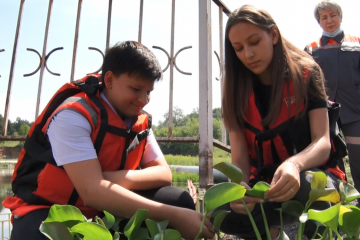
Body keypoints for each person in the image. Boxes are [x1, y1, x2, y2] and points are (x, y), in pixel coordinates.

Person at [3, 41, 214, 240]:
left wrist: (110, 178)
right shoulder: (73, 115)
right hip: (49, 208)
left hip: (106, 207)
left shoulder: (138, 119)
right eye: (135, 89)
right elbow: (92, 192)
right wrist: (175, 216)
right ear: (110, 80)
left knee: (179, 201)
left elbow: (163, 174)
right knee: (37, 234)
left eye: (148, 92)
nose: (143, 100)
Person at [219, 5, 346, 240]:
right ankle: (276, 234)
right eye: (238, 48)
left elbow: (322, 141)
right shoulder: (235, 91)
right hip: (265, 187)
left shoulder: (307, 73)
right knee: (221, 209)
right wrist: (240, 190)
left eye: (254, 42)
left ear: (274, 35)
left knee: (310, 187)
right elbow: (239, 161)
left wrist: (294, 165)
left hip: (311, 175)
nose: (248, 54)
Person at [304, 0, 360, 194]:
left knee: (358, 158)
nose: (329, 20)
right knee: (331, 160)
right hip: (325, 114)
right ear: (319, 22)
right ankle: (336, 207)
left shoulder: (357, 43)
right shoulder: (311, 49)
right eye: (324, 17)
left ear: (341, 17)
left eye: (333, 15)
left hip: (355, 112)